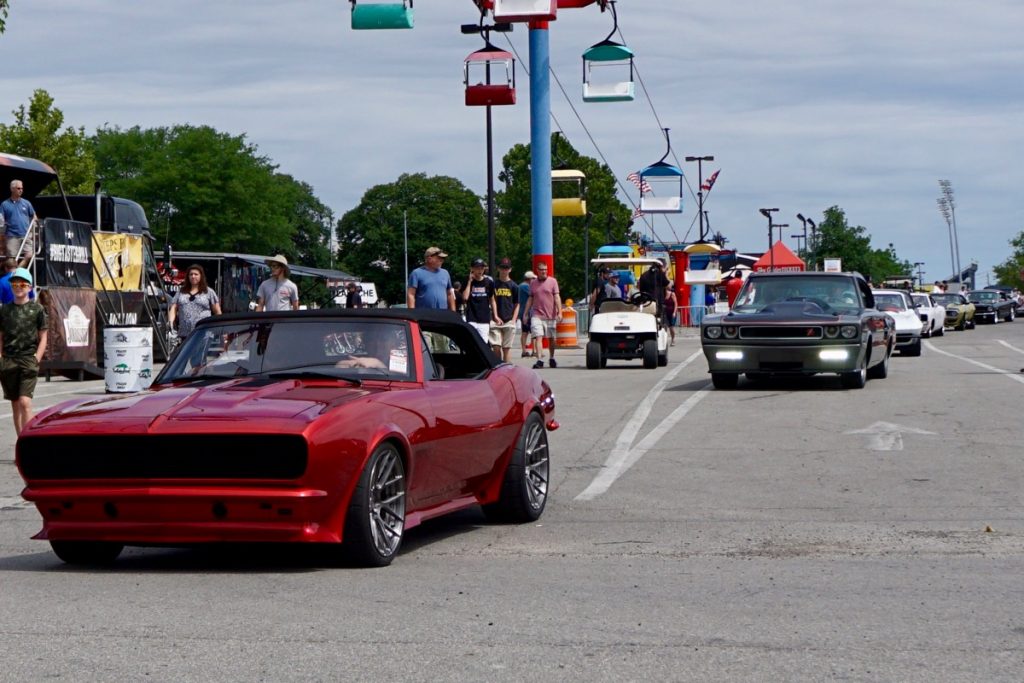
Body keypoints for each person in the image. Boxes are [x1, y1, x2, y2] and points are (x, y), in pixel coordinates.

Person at [0, 268, 48, 435]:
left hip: (28, 360)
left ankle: (29, 442)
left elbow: (43, 337)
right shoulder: (4, 310)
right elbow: (1, 336)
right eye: (14, 283)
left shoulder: (37, 310)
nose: (18, 287)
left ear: (29, 287)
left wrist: (37, 358)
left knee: (25, 403)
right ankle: (20, 442)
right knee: (15, 404)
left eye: (22, 284)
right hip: (8, 361)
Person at [168, 264, 222, 339]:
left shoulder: (208, 291)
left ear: (201, 276)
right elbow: (173, 307)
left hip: (203, 333)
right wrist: (170, 322)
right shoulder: (181, 292)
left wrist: (220, 329)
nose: (193, 276)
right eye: (191, 274)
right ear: (188, 277)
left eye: (196, 274)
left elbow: (217, 311)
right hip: (184, 334)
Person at [524, 262, 562, 369]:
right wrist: (525, 313)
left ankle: (552, 357)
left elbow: (557, 297)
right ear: (537, 270)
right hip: (537, 314)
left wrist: (560, 312)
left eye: (545, 269)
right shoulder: (533, 283)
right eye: (542, 269)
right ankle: (539, 360)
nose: (544, 271)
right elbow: (530, 298)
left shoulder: (553, 281)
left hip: (550, 315)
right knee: (538, 336)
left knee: (551, 338)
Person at [489, 258, 520, 362]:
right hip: (494, 320)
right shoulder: (493, 284)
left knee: (506, 348)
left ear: (510, 269)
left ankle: (507, 370)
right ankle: (498, 368)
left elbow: (517, 304)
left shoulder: (514, 286)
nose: (504, 270)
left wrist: (514, 320)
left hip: (509, 320)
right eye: (502, 268)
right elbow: (490, 300)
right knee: (496, 347)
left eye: (506, 268)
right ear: (498, 268)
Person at [407, 246, 455, 310]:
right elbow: (411, 294)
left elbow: (449, 294)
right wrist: (412, 314)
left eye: (443, 258)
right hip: (423, 315)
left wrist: (453, 312)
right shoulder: (416, 273)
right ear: (429, 259)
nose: (442, 260)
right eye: (439, 258)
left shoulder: (445, 273)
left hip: (443, 314)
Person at [1, 180, 37, 266]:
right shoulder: (4, 204)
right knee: (11, 260)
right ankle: (11, 276)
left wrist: (32, 230)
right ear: (12, 189)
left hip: (26, 235)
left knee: (29, 255)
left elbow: (34, 216)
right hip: (11, 235)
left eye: (22, 188)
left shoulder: (26, 203)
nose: (21, 190)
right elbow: (1, 220)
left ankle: (17, 272)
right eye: (18, 188)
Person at [462, 257, 498, 342]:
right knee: (471, 342)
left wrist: (495, 315)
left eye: (482, 268)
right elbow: (465, 297)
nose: (480, 270)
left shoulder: (489, 282)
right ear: (472, 269)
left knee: (483, 343)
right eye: (477, 268)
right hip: (471, 317)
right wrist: (469, 282)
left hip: (484, 319)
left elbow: (492, 300)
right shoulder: (467, 281)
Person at [518, 270, 536, 357]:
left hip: (522, 311)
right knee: (533, 332)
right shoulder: (525, 286)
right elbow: (534, 295)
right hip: (528, 312)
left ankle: (524, 350)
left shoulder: (520, 286)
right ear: (529, 279)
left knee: (524, 332)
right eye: (533, 278)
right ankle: (534, 350)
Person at [664, 282, 678, 346]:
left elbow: (676, 304)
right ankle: (664, 341)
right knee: (665, 327)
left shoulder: (672, 294)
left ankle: (673, 339)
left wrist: (674, 312)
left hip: (672, 312)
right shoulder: (663, 296)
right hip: (665, 313)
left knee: (671, 327)